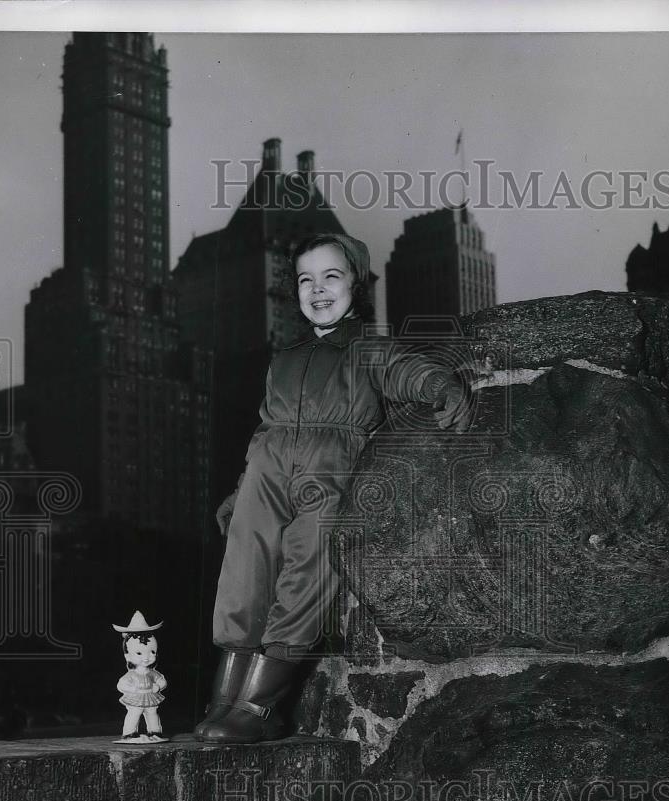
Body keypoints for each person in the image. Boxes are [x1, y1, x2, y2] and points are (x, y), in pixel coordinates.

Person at [193, 233, 473, 745]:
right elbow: (265, 427)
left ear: (356, 284)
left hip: (329, 472)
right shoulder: (286, 358)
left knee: (308, 565)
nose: (317, 289)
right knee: (243, 569)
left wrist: (441, 386)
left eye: (331, 276)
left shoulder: (369, 348)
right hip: (267, 471)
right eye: (305, 280)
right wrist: (239, 491)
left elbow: (408, 370)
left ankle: (258, 706)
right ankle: (224, 698)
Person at [113, 610, 168, 742]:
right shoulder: (131, 675)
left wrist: (158, 686)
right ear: (127, 656)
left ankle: (155, 732)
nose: (146, 657)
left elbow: (162, 681)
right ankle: (129, 733)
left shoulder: (152, 673)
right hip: (136, 697)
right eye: (139, 653)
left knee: (152, 713)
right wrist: (131, 689)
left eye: (152, 652)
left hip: (150, 696)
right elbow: (121, 684)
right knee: (134, 713)